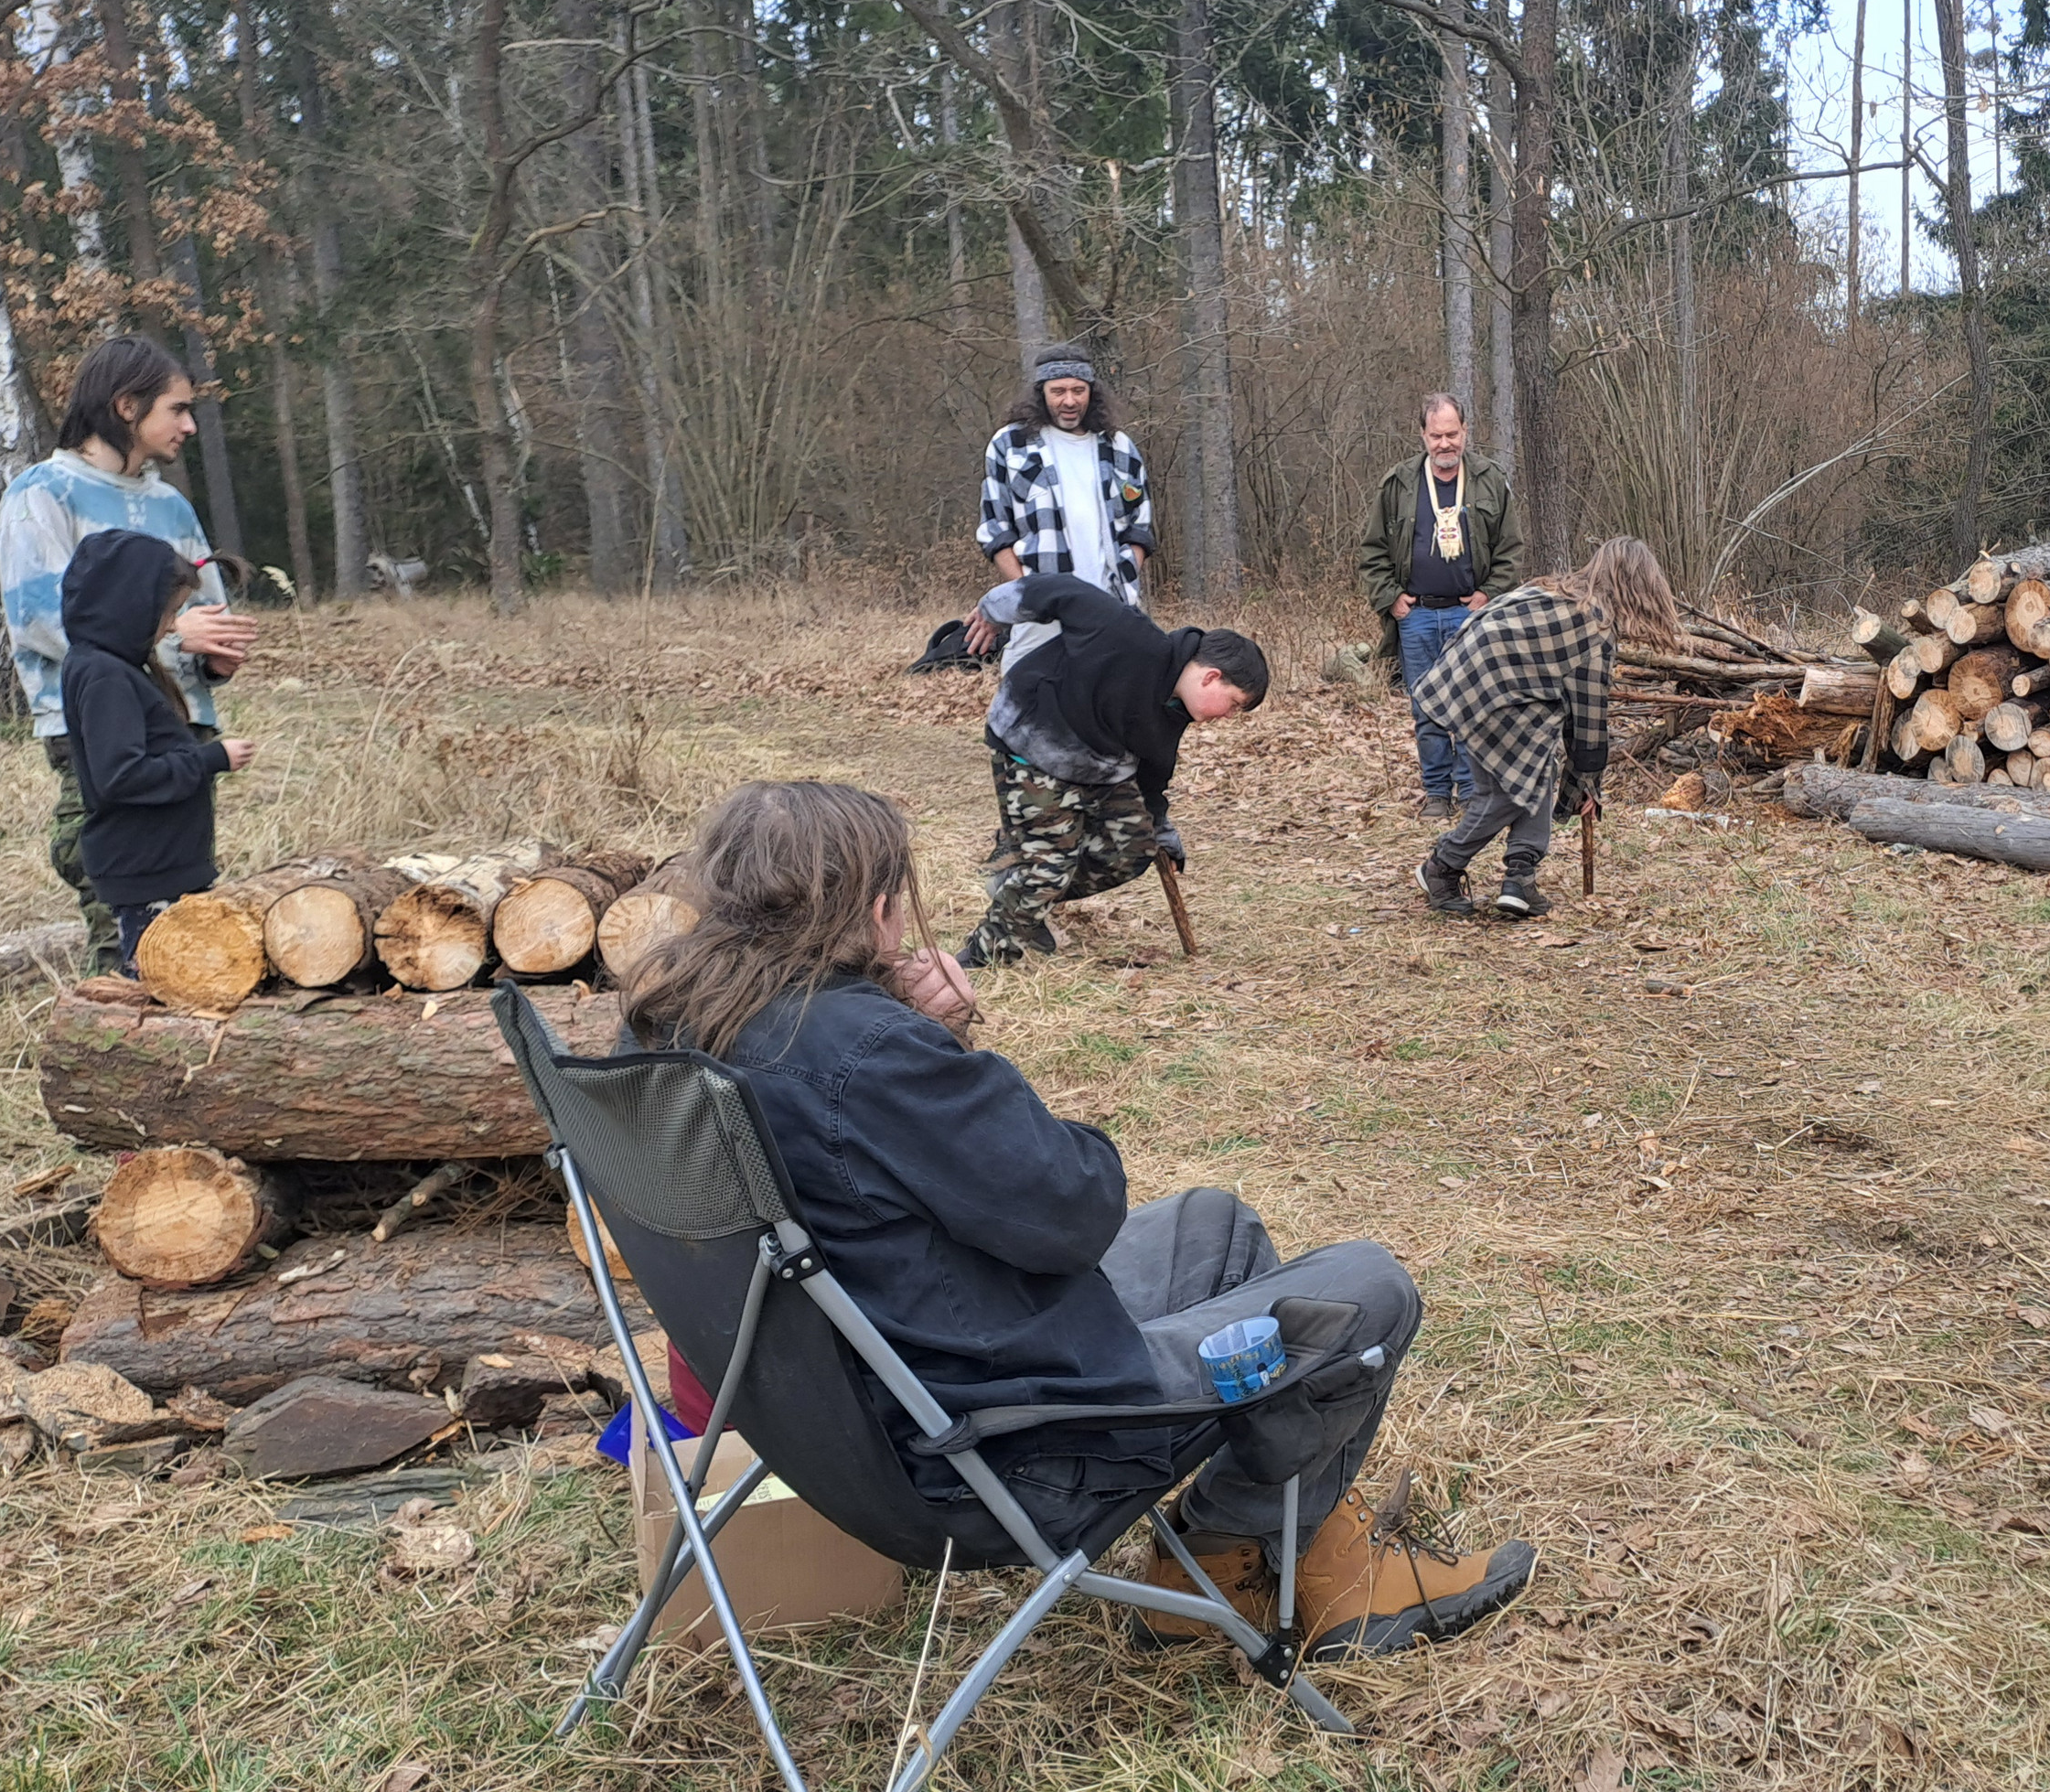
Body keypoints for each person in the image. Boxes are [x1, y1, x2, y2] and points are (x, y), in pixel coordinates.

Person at [622, 781, 1537, 1659]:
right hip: (1002, 1452)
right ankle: (1287, 1567)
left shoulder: (667, 1028)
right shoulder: (867, 1049)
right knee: (1367, 1288)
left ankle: (1228, 1556)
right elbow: (1073, 1210)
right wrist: (939, 1034)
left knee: (1211, 1226)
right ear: (877, 906)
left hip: (854, 1415)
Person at [0, 337, 261, 971]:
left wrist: (211, 659)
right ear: (125, 406)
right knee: (121, 905)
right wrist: (172, 636)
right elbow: (39, 618)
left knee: (183, 911)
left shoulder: (171, 505)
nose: (189, 426)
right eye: (177, 409)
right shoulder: (42, 494)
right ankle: (109, 1020)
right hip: (99, 728)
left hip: (182, 728)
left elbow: (202, 609)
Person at [961, 574, 1269, 965]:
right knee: (1050, 866)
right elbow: (1059, 590)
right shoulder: (1130, 636)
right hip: (1033, 742)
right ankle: (983, 956)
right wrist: (993, 611)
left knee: (1133, 849)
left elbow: (1153, 774)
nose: (1229, 716)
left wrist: (1160, 829)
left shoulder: (1174, 713)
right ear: (1212, 677)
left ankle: (1022, 894)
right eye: (1235, 704)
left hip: (1097, 766)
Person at [1408, 535, 1677, 921]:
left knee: (1534, 766)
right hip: (1493, 689)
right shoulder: (1595, 627)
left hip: (1471, 676)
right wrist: (1585, 784)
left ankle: (1520, 880)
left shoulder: (1556, 592)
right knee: (1503, 796)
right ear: (1638, 585)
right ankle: (1441, 866)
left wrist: (1577, 783)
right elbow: (1588, 723)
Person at [55, 531, 256, 973]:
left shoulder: (115, 668)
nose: (173, 626)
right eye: (169, 612)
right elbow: (122, 776)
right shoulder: (106, 677)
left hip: (160, 869)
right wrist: (211, 759)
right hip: (146, 877)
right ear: (131, 606)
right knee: (163, 982)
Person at [1357, 394, 1522, 819]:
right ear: (1423, 436)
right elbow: (1372, 551)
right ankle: (1436, 794)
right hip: (1417, 617)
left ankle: (1470, 792)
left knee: (1471, 706)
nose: (1445, 443)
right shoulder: (1398, 484)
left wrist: (1489, 595)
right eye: (1436, 436)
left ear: (1465, 431)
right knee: (1426, 707)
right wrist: (1391, 599)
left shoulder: (1489, 479)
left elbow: (1510, 550)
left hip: (1470, 616)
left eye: (1452, 434)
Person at [961, 342, 1154, 676]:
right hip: (1041, 611)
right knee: (1027, 696)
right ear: (1041, 393)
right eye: (1058, 391)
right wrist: (1029, 592)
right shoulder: (1010, 444)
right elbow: (995, 529)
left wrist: (1124, 575)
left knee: (1109, 697)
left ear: (1091, 392)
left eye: (1078, 390)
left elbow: (1141, 526)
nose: (1069, 401)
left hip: (1111, 606)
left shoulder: (1119, 447)